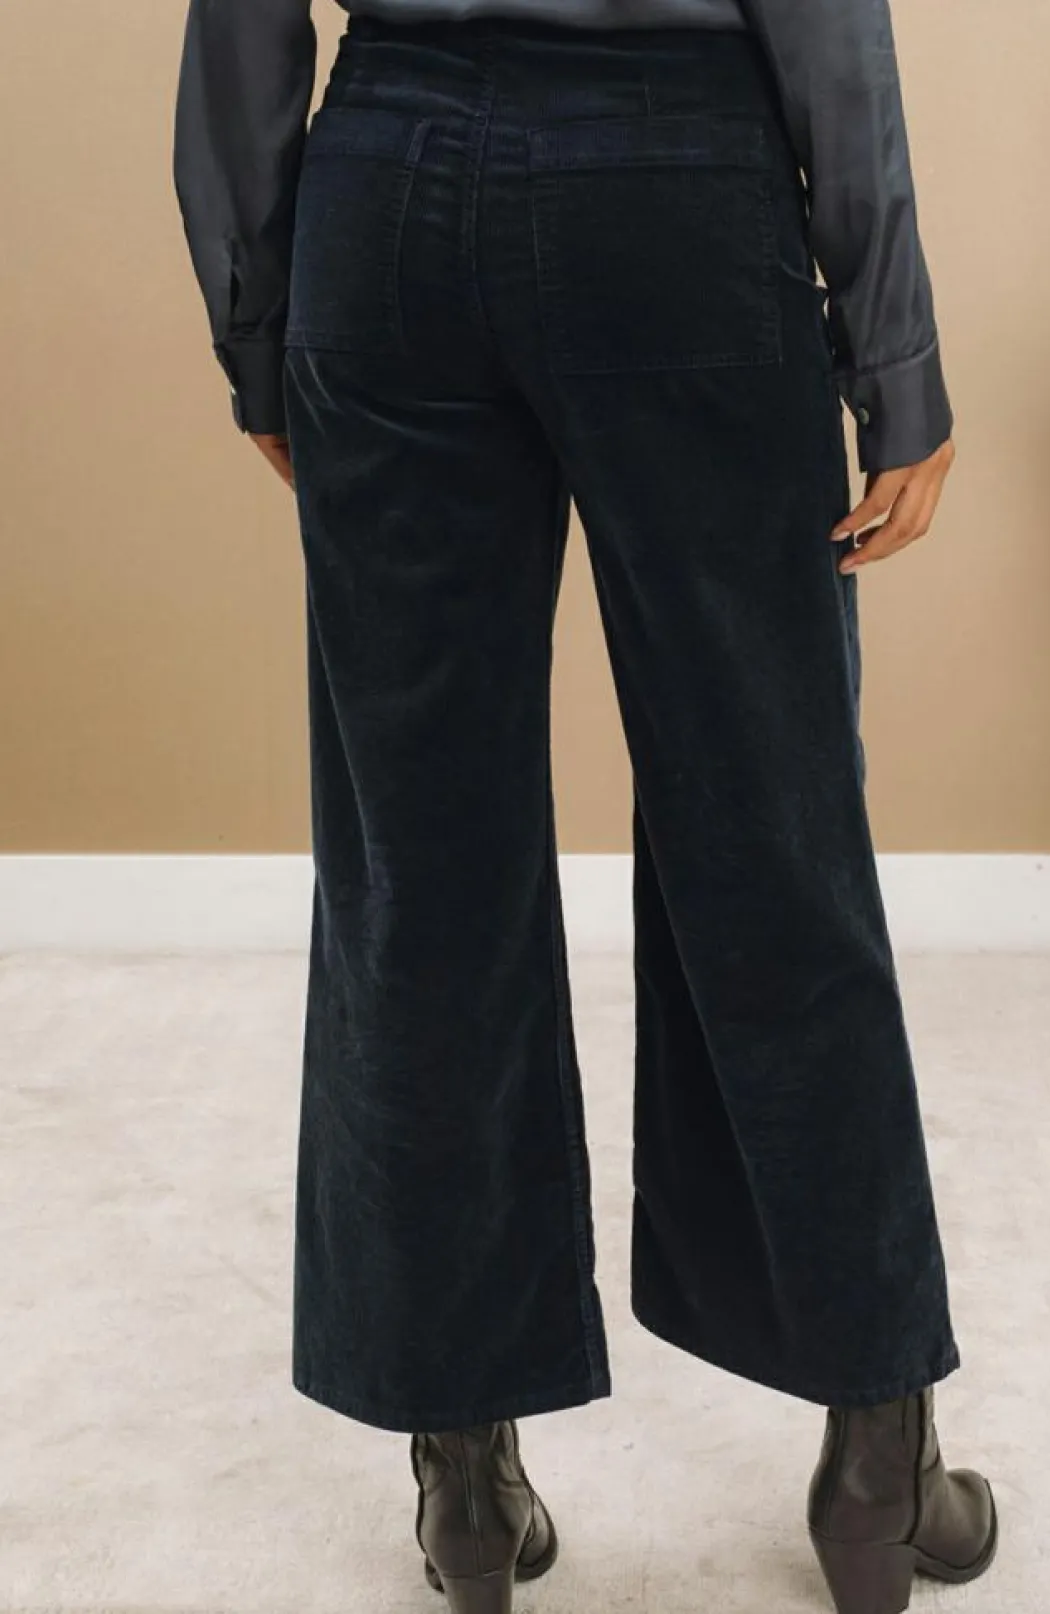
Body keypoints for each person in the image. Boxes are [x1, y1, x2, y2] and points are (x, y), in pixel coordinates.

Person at [172, 3, 998, 1611]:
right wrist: (895, 355)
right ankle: (878, 1463)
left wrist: (259, 316)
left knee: (424, 862)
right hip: (680, 193)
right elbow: (826, 25)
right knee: (774, 836)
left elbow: (242, 22)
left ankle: (465, 1479)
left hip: (389, 196)